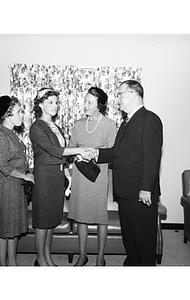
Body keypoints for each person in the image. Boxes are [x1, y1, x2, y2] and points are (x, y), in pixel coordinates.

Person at [87, 80, 163, 266]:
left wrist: (146, 188)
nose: (118, 99)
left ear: (132, 94)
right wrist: (96, 153)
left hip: (140, 192)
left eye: (120, 95)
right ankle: (132, 264)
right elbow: (115, 153)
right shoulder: (126, 122)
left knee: (143, 238)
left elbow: (152, 158)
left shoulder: (149, 119)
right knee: (130, 236)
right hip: (125, 191)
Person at [29, 88, 91, 267]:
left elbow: (61, 156)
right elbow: (53, 150)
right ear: (40, 104)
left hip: (57, 177)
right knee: (42, 222)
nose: (55, 106)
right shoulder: (37, 127)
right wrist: (79, 149)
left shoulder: (55, 126)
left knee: (50, 221)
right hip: (44, 177)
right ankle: (41, 260)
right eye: (50, 102)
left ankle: (47, 257)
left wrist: (66, 171)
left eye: (56, 102)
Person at [67, 87, 117, 266]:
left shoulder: (109, 125)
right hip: (80, 175)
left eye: (90, 102)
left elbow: (114, 152)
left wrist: (95, 153)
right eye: (85, 101)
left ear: (99, 105)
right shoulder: (79, 124)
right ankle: (82, 256)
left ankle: (100, 257)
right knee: (81, 215)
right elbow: (71, 147)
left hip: (98, 176)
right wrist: (78, 154)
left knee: (100, 217)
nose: (85, 105)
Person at [0, 95, 35, 266]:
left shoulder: (12, 134)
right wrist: (25, 176)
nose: (22, 115)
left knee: (13, 230)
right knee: (2, 231)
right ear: (7, 114)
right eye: (19, 111)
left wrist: (25, 174)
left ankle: (12, 264)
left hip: (15, 186)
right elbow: (3, 166)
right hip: (5, 187)